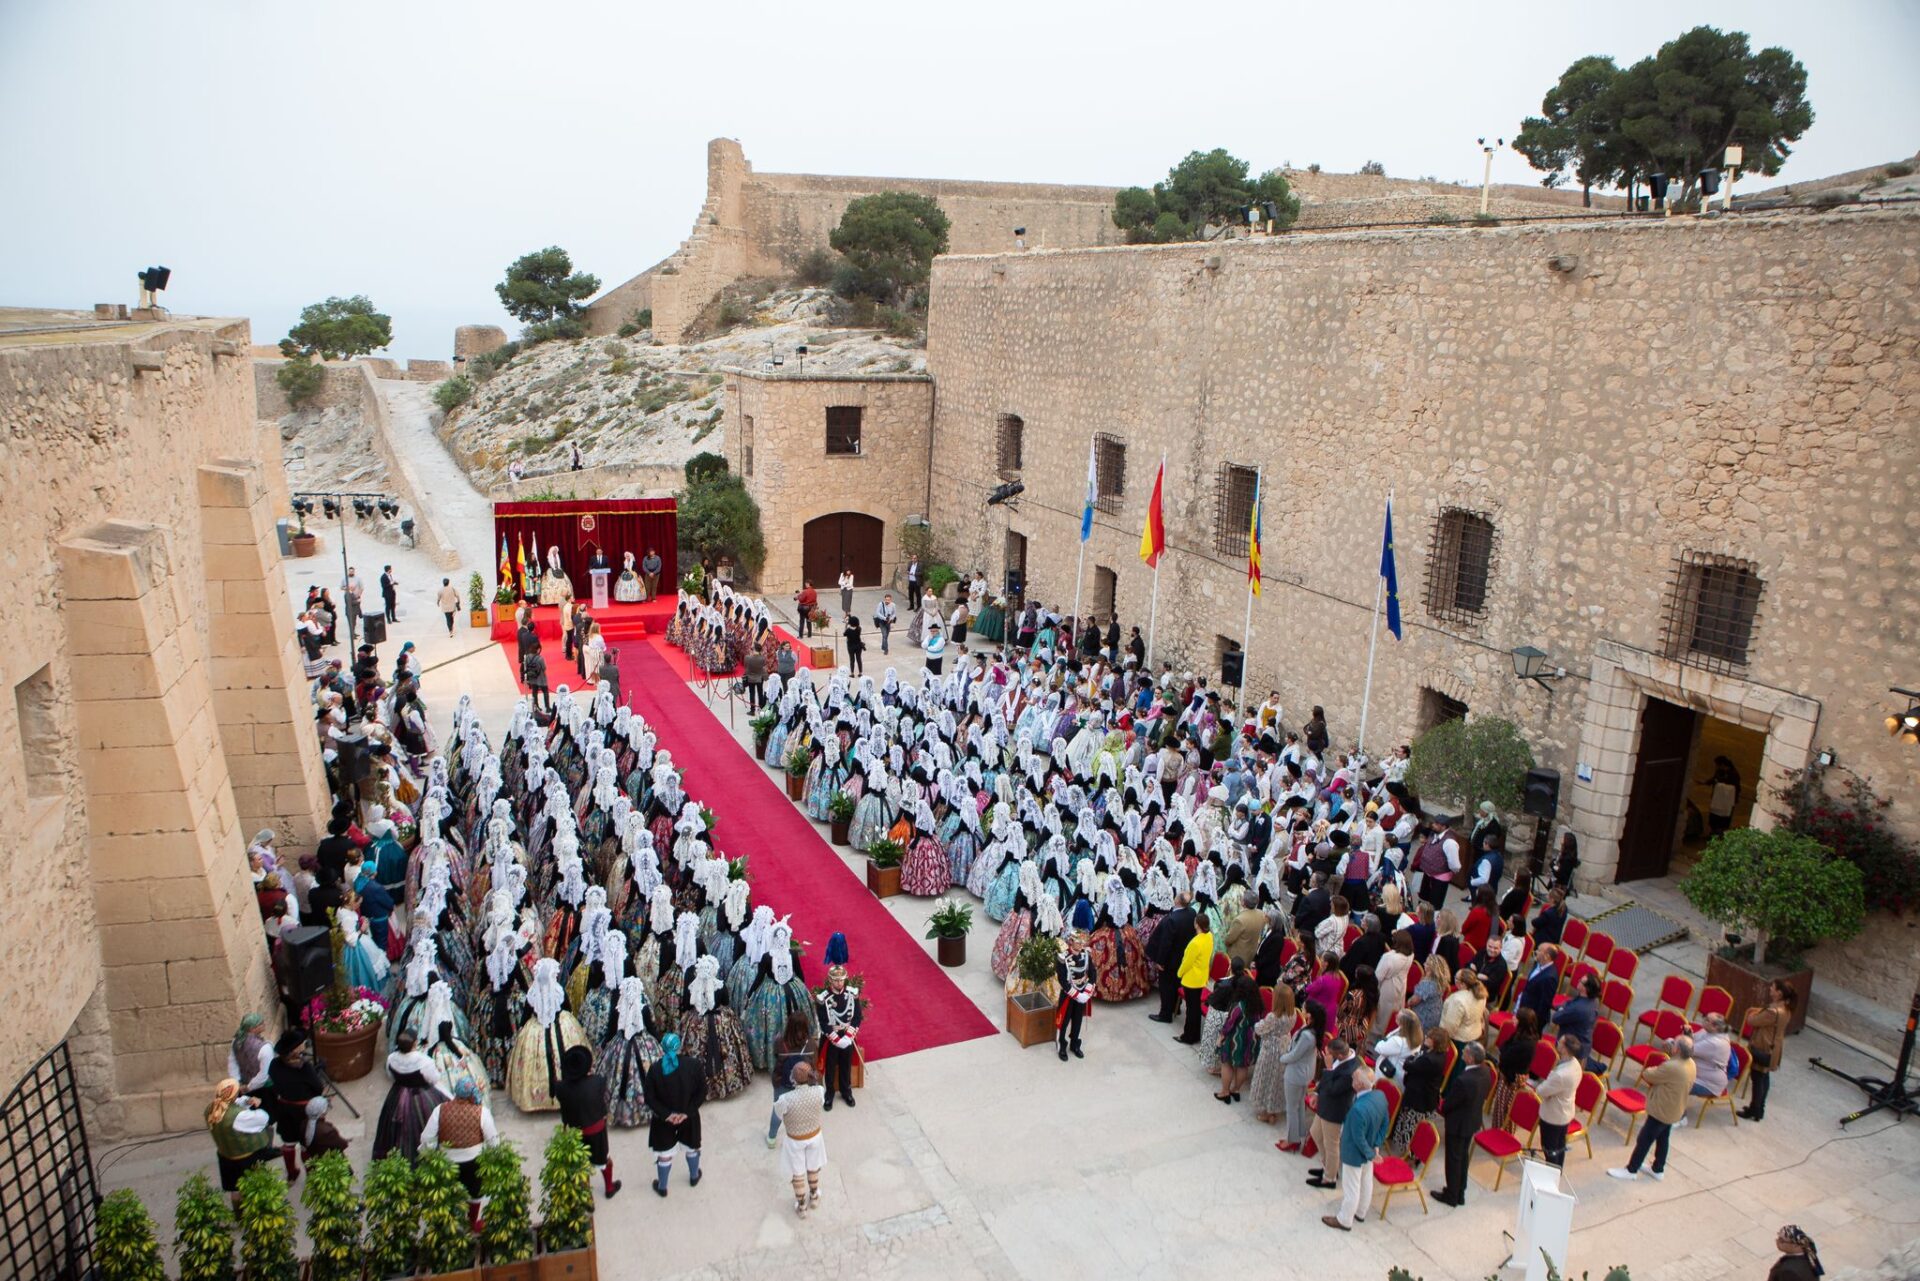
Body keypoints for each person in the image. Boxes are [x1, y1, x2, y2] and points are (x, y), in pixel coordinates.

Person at [1609, 1035, 1695, 1182]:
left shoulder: (1672, 1066)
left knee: (1644, 1139)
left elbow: (1648, 1074)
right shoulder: (1691, 1063)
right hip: (1674, 1109)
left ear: (1678, 1050)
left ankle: (1631, 1170)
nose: (1671, 1044)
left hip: (1662, 1110)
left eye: (1674, 1043)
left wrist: (1666, 1057)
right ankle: (1658, 1168)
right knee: (1663, 1138)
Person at [421, 1079, 499, 1232]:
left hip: (447, 1163)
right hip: (474, 1162)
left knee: (450, 1194)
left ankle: (452, 1226)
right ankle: (472, 1222)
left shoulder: (440, 1110)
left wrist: (429, 1155)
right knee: (475, 1193)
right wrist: (493, 1157)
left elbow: (427, 1138)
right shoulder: (481, 1112)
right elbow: (493, 1140)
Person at [643, 1032, 707, 1197]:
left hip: (663, 1121)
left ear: (662, 1048)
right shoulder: (694, 1065)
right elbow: (702, 1092)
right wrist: (687, 1112)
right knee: (691, 1147)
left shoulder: (655, 1069)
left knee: (664, 1155)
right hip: (689, 1117)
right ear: (679, 1047)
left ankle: (662, 1187)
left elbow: (649, 1097)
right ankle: (694, 1176)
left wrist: (667, 1115)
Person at [1323, 1062, 1385, 1232]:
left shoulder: (1358, 1109)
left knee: (1352, 1187)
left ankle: (1345, 1219)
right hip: (1370, 1148)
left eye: (1354, 1078)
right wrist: (1376, 1146)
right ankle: (1361, 1212)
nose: (1352, 1080)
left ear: (1359, 1084)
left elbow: (1357, 1138)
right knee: (1366, 1182)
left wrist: (1370, 1154)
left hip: (1355, 1152)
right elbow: (1384, 1123)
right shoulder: (1380, 1097)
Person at [554, 1045, 622, 1198]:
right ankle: (609, 1188)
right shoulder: (598, 1082)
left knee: (581, 1164)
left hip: (574, 1130)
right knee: (604, 1159)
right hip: (596, 1128)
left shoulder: (560, 1087)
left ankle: (587, 1198)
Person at [1431, 1042, 1492, 1207]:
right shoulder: (1486, 1071)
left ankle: (1451, 1194)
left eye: (1465, 1052)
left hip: (1458, 1123)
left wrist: (1443, 1106)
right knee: (1463, 1157)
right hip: (1472, 1120)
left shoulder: (1464, 1080)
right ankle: (1460, 1192)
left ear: (1470, 1058)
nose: (1462, 1053)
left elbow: (1450, 1104)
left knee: (1453, 1159)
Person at [372, 1029, 447, 1160]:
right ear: (415, 1043)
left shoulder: (392, 1058)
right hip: (422, 1095)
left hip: (397, 1094)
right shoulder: (424, 1061)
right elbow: (434, 1078)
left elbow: (391, 1076)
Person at [774, 1061, 829, 1217]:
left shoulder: (785, 1098)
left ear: (793, 1078)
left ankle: (802, 1206)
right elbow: (821, 1103)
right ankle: (814, 1196)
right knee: (813, 1167)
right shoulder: (819, 1091)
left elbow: (778, 1114)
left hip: (795, 1140)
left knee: (797, 1172)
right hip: (814, 1136)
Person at [1307, 1037, 1358, 1191]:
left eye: (1330, 1054)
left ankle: (1330, 1178)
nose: (1327, 1056)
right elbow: (1326, 1081)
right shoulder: (1339, 1058)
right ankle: (1329, 1166)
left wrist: (1329, 1068)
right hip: (1325, 1105)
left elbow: (1333, 1089)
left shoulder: (1350, 1070)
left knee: (1331, 1145)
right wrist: (1316, 1093)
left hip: (1335, 1111)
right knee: (1316, 1133)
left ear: (1340, 1055)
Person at [1742, 980, 1796, 1121]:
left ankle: (1755, 1109)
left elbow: (1752, 1021)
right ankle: (1759, 1108)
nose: (1770, 989)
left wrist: (1753, 1015)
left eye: (1773, 988)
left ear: (1779, 993)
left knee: (1757, 1078)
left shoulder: (1773, 1012)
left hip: (1763, 1047)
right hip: (1773, 1049)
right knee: (1764, 1077)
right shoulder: (1786, 1009)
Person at [1147, 891, 1197, 1024]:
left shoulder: (1172, 919)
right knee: (1177, 983)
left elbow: (1166, 943)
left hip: (1170, 959)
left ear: (1178, 901)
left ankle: (1165, 1014)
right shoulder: (1192, 912)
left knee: (1166, 987)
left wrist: (1160, 961)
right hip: (1182, 957)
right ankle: (1176, 1007)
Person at [816, 965, 862, 1108]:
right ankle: (829, 1093)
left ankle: (846, 1091)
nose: (839, 983)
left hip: (847, 1035)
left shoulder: (852, 994)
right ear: (830, 980)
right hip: (832, 1037)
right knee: (830, 1067)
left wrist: (848, 1037)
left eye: (841, 980)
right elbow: (823, 1022)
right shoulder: (823, 998)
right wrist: (836, 1039)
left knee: (846, 1065)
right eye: (836, 980)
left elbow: (857, 1017)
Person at [1535, 1034, 1583, 1167]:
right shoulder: (1575, 1064)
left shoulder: (1560, 1075)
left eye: (1560, 1043)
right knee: (1559, 1147)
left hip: (1553, 1116)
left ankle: (1552, 1172)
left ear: (1565, 1049)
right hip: (1565, 1112)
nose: (1557, 1043)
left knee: (1549, 1149)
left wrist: (1542, 1085)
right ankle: (1557, 1170)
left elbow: (1541, 1091)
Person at [766, 1013, 813, 1149]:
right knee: (802, 1110)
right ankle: (802, 1137)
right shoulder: (810, 1043)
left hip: (782, 1081)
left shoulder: (779, 1042)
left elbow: (775, 1059)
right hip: (803, 1083)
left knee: (778, 1110)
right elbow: (813, 1063)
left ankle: (772, 1138)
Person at [1174, 911, 1214, 1045]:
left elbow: (1187, 962)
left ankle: (1188, 1036)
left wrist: (1179, 973)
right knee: (1195, 1007)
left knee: (1191, 1009)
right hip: (1201, 977)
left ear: (1197, 924)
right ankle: (1195, 1034)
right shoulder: (1209, 936)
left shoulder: (1195, 943)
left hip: (1191, 980)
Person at [1056, 930, 1095, 1061]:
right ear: (1071, 941)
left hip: (1082, 993)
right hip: (1068, 994)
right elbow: (1062, 980)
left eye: (1082, 942)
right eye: (1078, 942)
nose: (1081, 944)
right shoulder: (1063, 957)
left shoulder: (1086, 954)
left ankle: (1074, 1044)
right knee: (1064, 1021)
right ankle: (1061, 1045)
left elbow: (1093, 974)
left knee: (1078, 1020)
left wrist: (1087, 991)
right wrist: (1077, 995)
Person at [1700, 755, 1743, 836]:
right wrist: (1706, 782)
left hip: (1727, 801)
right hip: (1717, 799)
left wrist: (1720, 785)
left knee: (1723, 819)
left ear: (1722, 764)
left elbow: (1735, 788)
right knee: (1714, 817)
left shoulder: (1734, 774)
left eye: (1717, 765)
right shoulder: (1719, 771)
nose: (1716, 767)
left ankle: (1720, 832)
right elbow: (1714, 779)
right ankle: (1713, 831)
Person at [525, 638, 551, 714]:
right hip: (541, 678)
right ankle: (547, 707)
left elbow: (525, 666)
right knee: (545, 692)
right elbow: (544, 668)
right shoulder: (540, 658)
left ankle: (536, 707)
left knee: (534, 692)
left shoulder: (527, 657)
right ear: (538, 649)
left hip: (532, 678)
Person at [743, 645, 767, 712]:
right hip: (760, 677)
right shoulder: (763, 658)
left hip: (751, 677)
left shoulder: (747, 658)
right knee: (760, 692)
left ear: (754, 650)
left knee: (752, 693)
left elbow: (745, 666)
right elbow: (764, 666)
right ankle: (761, 707)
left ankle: (752, 710)